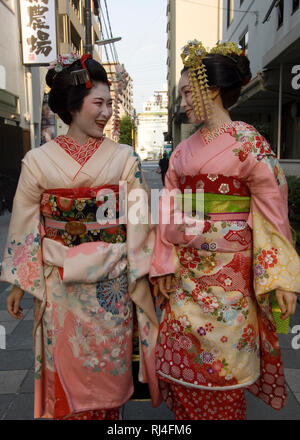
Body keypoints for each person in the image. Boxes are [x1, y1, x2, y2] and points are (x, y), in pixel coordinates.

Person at [1, 53, 160, 420]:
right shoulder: (38, 161)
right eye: (98, 103)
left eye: (110, 104)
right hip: (60, 283)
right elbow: (24, 224)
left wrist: (147, 274)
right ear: (73, 106)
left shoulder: (124, 158)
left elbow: (140, 223)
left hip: (112, 283)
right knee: (66, 363)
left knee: (108, 369)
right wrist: (17, 283)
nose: (106, 113)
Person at [150, 41, 300, 420]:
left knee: (224, 368)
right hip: (185, 277)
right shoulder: (183, 151)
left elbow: (272, 209)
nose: (183, 102)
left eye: (187, 92)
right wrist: (163, 262)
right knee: (184, 371)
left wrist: (281, 275)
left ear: (211, 89)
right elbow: (169, 207)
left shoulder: (248, 141)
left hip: (230, 280)